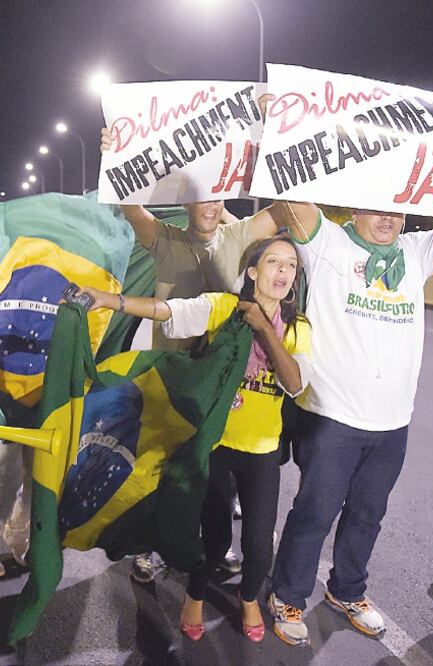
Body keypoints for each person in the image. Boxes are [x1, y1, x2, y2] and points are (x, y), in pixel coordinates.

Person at [264, 123, 433, 647]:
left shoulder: (417, 251)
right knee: (315, 512)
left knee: (369, 514)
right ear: (355, 210)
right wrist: (279, 130)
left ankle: (348, 589)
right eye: (376, 208)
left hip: (393, 423)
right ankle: (289, 596)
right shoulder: (325, 242)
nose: (388, 218)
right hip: (333, 417)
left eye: (396, 210)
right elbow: (289, 197)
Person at [80, 235, 310, 642]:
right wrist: (108, 300)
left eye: (291, 265)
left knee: (258, 546)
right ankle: (196, 594)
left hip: (261, 450)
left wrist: (264, 328)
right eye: (273, 262)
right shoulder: (225, 308)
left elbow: (293, 383)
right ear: (253, 272)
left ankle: (250, 598)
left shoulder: (298, 328)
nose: (283, 271)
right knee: (216, 535)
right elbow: (166, 309)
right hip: (216, 446)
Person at [101, 126, 280, 582]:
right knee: (161, 461)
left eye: (218, 198)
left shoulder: (240, 235)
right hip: (173, 373)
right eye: (202, 198)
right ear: (185, 204)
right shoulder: (164, 238)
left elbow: (286, 209)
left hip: (220, 375)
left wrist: (277, 135)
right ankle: (149, 547)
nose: (212, 206)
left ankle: (208, 546)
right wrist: (114, 156)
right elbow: (130, 207)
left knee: (208, 469)